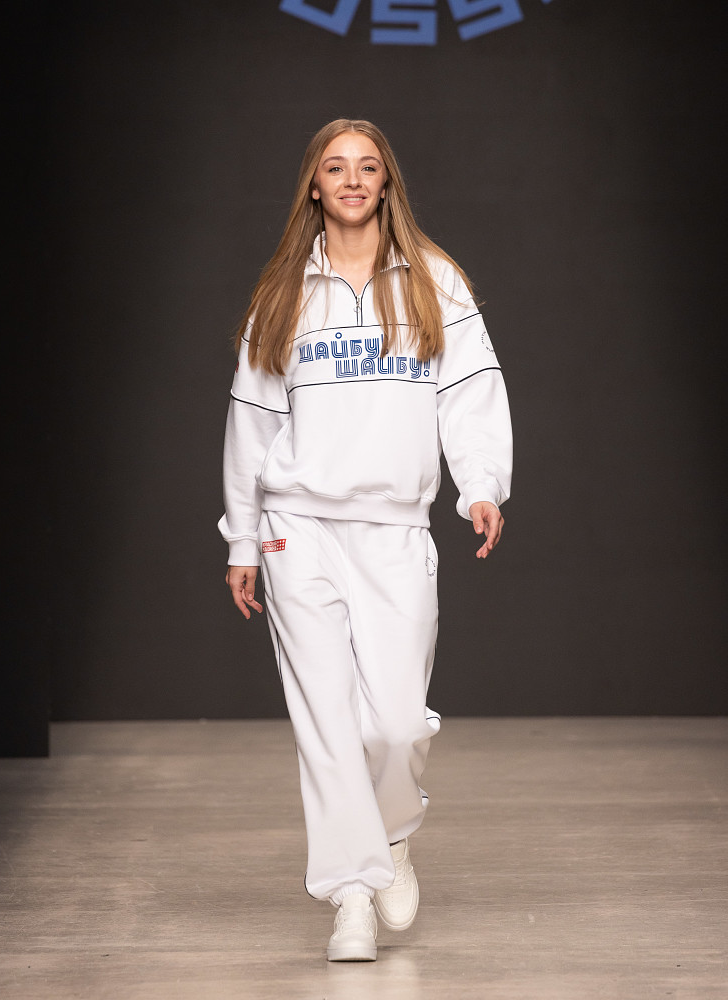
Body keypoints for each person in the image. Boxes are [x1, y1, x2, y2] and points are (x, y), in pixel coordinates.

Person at [219, 119, 512, 962]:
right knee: (324, 720)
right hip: (297, 528)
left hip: (394, 527)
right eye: (335, 167)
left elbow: (469, 392)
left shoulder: (434, 280)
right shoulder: (282, 292)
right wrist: (242, 538)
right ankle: (349, 895)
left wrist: (481, 483)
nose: (351, 180)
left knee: (391, 723)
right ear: (313, 185)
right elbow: (251, 423)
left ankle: (391, 836)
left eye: (367, 167)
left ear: (386, 183)